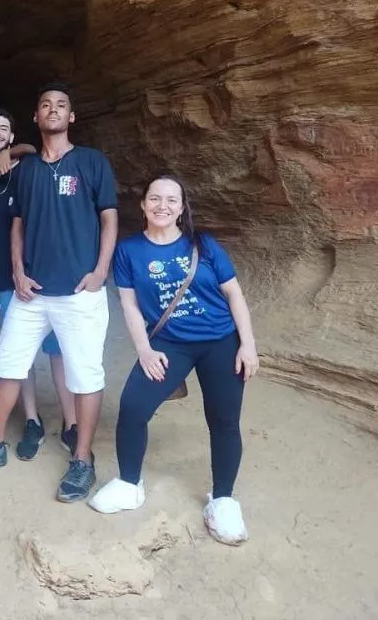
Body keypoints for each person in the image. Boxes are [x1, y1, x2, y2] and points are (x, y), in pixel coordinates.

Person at [0, 81, 118, 506]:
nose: (53, 109)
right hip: (32, 292)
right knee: (7, 364)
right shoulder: (26, 171)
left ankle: (82, 459)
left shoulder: (92, 162)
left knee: (86, 374)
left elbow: (109, 217)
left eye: (61, 105)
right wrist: (17, 269)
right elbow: (17, 223)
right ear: (35, 116)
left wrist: (101, 270)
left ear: (71, 116)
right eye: (45, 104)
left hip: (79, 292)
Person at [88, 175, 259, 545]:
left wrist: (247, 345)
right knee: (133, 406)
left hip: (220, 341)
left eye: (171, 200)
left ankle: (223, 499)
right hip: (169, 343)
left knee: (224, 420)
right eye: (154, 198)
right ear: (143, 204)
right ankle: (129, 484)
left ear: (182, 208)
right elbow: (130, 305)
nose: (162, 206)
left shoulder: (204, 244)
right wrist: (144, 350)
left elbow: (234, 294)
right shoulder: (129, 250)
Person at [0, 108, 54, 441]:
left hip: (17, 273)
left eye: (3, 128)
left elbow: (34, 149)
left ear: (12, 136)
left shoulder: (26, 170)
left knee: (18, 348)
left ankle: (30, 416)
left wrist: (12, 153)